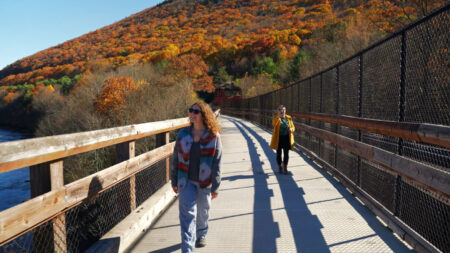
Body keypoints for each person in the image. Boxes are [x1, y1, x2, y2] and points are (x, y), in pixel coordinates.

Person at [171, 102, 223, 253]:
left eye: (196, 111)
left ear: (204, 115)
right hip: (185, 180)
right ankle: (187, 249)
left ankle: (201, 233)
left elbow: (217, 163)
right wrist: (174, 180)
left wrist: (216, 186)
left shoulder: (213, 136)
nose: (192, 113)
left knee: (203, 211)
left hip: (205, 182)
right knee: (187, 216)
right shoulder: (182, 134)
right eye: (190, 110)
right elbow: (175, 158)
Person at [270, 105, 295, 174]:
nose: (282, 111)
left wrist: (291, 129)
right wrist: (278, 116)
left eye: (283, 110)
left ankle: (285, 167)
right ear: (278, 111)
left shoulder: (288, 118)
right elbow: (274, 124)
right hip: (278, 138)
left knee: (286, 153)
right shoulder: (276, 118)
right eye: (280, 110)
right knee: (278, 153)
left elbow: (293, 127)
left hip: (287, 138)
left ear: (285, 111)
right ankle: (279, 166)